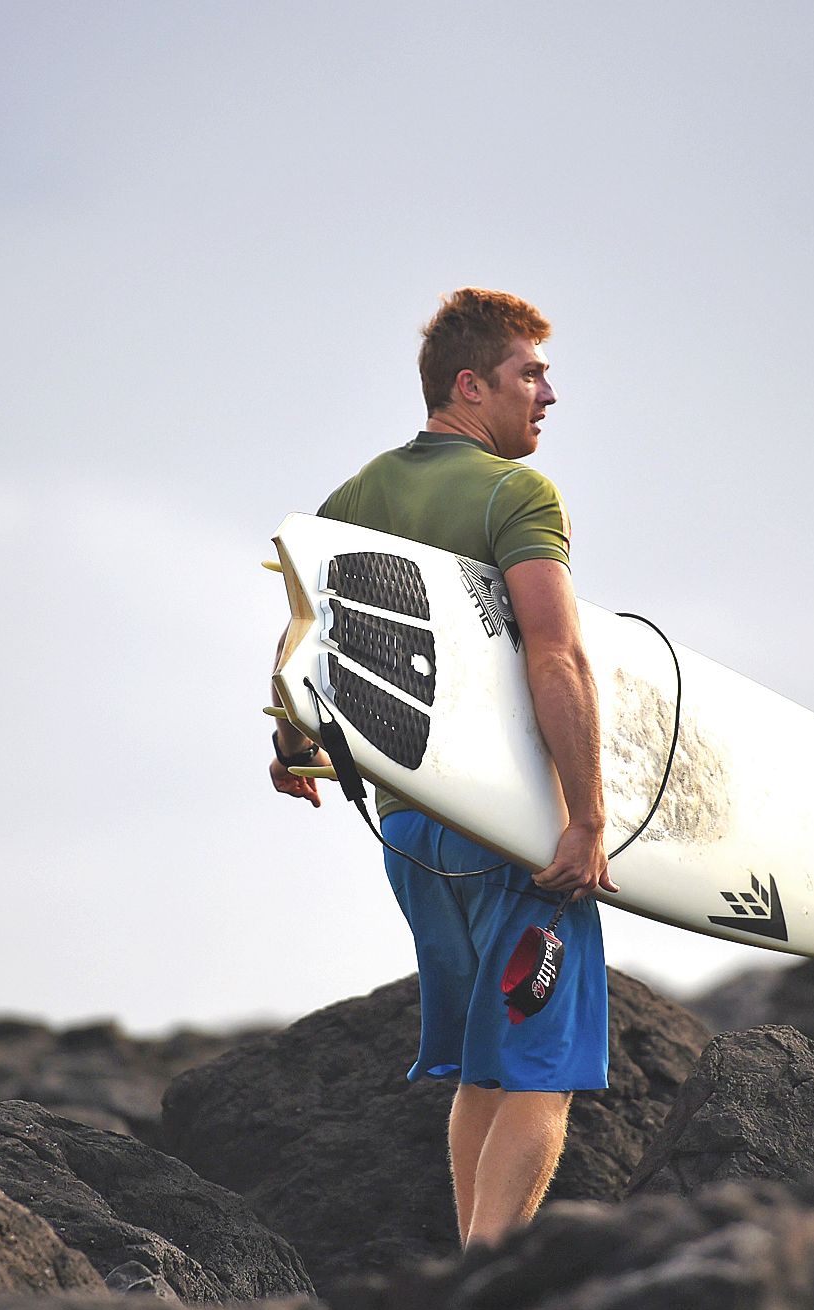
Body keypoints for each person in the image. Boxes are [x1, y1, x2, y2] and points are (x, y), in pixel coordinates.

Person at [267, 288, 615, 1249]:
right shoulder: (517, 495)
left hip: (411, 834)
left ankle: (467, 1268)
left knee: (482, 1067)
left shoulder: (354, 498)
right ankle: (485, 1280)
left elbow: (305, 646)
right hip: (510, 835)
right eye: (528, 374)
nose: (548, 393)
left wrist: (291, 746)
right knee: (543, 1070)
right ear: (471, 385)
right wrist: (584, 818)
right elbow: (555, 654)